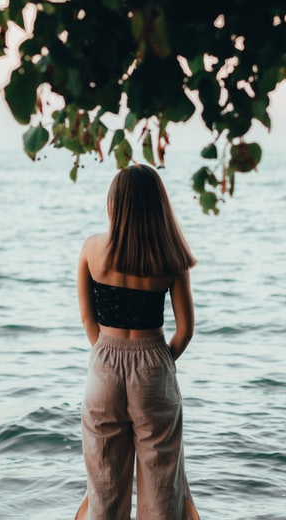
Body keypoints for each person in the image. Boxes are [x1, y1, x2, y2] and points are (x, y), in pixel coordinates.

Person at [75, 164, 200, 520]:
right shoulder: (172, 255)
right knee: (162, 485)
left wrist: (107, 355)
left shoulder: (91, 249)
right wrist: (159, 362)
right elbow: (185, 329)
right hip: (154, 366)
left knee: (104, 484)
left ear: (114, 203)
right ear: (158, 205)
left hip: (104, 366)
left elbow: (88, 319)